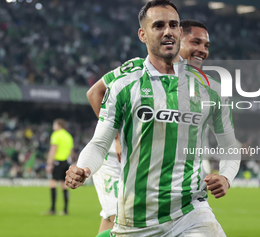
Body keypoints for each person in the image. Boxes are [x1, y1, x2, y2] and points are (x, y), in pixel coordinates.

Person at [66, 0, 240, 236]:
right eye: (158, 25)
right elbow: (98, 142)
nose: (168, 31)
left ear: (180, 33)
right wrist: (83, 168)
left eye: (174, 25)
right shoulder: (124, 85)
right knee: (109, 219)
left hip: (191, 212)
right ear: (143, 35)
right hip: (136, 218)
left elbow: (230, 145)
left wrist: (226, 177)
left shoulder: (211, 90)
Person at [84, 19, 211, 236]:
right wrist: (117, 138)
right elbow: (94, 92)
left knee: (120, 221)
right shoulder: (137, 69)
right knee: (120, 218)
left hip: (153, 161)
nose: (200, 50)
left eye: (206, 46)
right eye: (194, 42)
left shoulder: (195, 82)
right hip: (119, 157)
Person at [45, 119, 74, 215]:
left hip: (58, 161)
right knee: (64, 185)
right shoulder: (68, 136)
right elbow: (71, 152)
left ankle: (52, 209)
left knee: (52, 183)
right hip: (66, 162)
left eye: (54, 124)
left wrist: (49, 163)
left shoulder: (56, 135)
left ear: (58, 125)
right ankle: (65, 210)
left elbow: (53, 149)